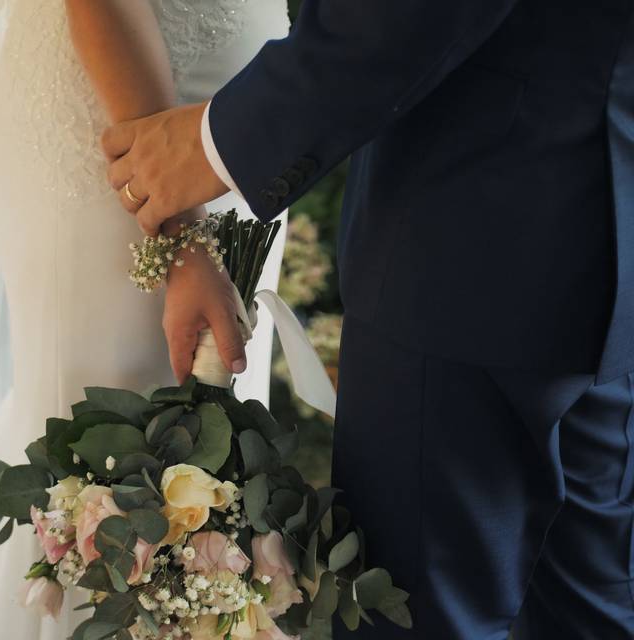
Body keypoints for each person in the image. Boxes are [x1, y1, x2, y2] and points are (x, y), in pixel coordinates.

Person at [102, 0, 634, 637]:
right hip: (604, 227)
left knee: (422, 615)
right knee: (591, 604)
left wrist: (218, 144)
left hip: (466, 243)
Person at [0, 1, 291, 638]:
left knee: (218, 420)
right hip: (110, 99)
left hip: (241, 113)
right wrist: (181, 236)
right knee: (102, 429)